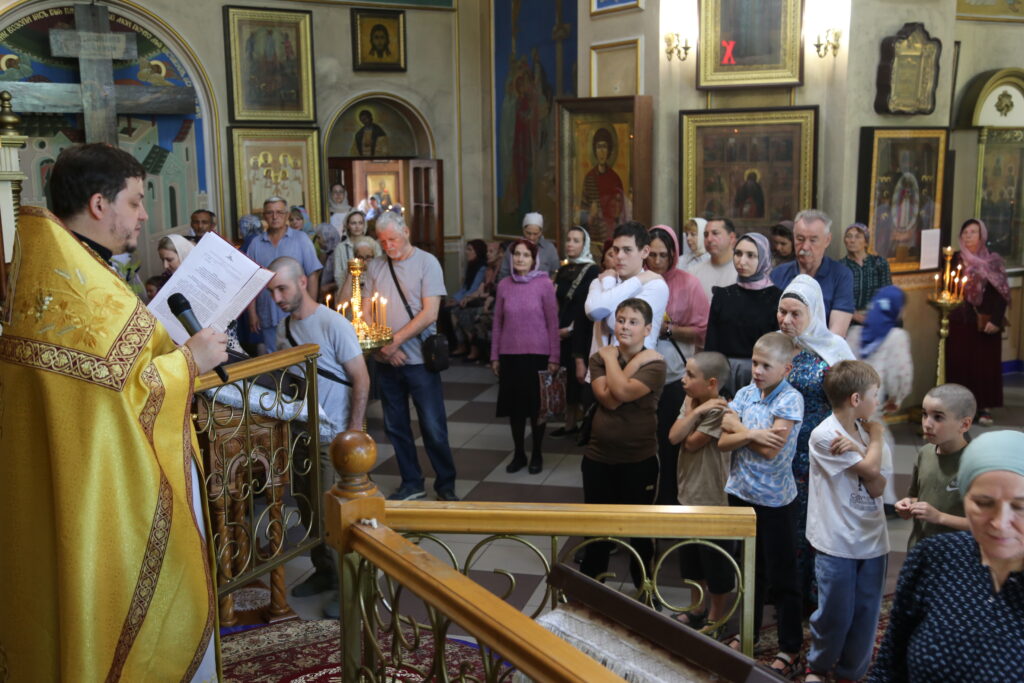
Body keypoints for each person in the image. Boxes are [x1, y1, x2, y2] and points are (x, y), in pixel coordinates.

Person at [0, 143, 226, 681]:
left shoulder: (54, 268)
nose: (144, 215)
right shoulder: (84, 293)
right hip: (104, 503)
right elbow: (124, 398)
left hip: (62, 490)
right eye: (136, 200)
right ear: (99, 205)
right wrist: (190, 362)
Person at [869, 430, 1024, 682]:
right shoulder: (935, 557)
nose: (1000, 522)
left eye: (1019, 506)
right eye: (984, 503)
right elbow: (889, 664)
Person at [265, 257, 369, 616]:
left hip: (332, 434)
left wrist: (353, 430)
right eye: (272, 292)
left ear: (301, 283)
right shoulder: (284, 328)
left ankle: (347, 585)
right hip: (301, 432)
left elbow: (361, 378)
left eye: (282, 289)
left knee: (330, 513)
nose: (277, 298)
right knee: (306, 506)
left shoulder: (333, 323)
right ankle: (324, 571)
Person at [718, 332, 805, 676]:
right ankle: (748, 632)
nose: (757, 370)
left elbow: (771, 450)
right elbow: (723, 442)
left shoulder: (791, 399)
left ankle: (790, 646)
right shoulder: (745, 393)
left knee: (782, 576)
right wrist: (753, 433)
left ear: (786, 369)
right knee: (749, 570)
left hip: (775, 502)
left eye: (766, 365)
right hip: (741, 494)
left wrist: (738, 428)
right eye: (755, 363)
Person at [357, 211, 458, 501]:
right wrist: (384, 349)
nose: (388, 246)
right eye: (382, 241)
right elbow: (365, 311)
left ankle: (445, 484)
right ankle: (412, 482)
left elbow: (430, 314)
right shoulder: (376, 266)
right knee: (395, 426)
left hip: (421, 362)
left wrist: (393, 342)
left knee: (433, 426)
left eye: (392, 239)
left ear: (406, 232)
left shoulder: (427, 263)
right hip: (386, 361)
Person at [804, 360, 890, 683]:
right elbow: (871, 471)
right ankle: (819, 665)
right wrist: (876, 439)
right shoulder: (825, 435)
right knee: (835, 613)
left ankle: (850, 673)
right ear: (856, 399)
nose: (877, 401)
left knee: (867, 613)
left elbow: (878, 487)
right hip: (836, 539)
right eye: (874, 395)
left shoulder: (863, 434)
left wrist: (863, 446)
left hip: (873, 539)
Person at [777, 274, 856, 607]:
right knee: (787, 522)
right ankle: (785, 590)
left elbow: (854, 401)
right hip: (780, 448)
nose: (786, 320)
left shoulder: (833, 348)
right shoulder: (775, 345)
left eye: (795, 314)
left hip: (819, 450)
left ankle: (816, 593)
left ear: (814, 314)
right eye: (782, 312)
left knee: (817, 520)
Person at [580, 298, 666, 587]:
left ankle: (646, 594)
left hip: (638, 460)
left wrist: (615, 360)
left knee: (641, 533)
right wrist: (610, 359)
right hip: (598, 457)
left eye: (633, 322)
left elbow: (620, 395)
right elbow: (606, 398)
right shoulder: (598, 358)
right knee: (597, 532)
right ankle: (592, 595)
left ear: (648, 329)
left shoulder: (654, 363)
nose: (625, 327)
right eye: (620, 320)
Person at [668, 351, 733, 632]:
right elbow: (674, 436)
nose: (683, 379)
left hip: (712, 497)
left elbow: (690, 442)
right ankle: (697, 607)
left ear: (711, 383)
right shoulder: (692, 401)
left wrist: (690, 417)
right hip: (688, 493)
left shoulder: (719, 410)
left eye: (690, 375)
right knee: (691, 558)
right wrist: (694, 412)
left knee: (715, 561)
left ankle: (716, 616)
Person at [646, 225, 709, 505]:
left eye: (664, 255)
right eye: (652, 255)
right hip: (641, 375)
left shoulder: (688, 283)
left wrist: (668, 330)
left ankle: (669, 499)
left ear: (674, 254)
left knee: (669, 442)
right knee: (644, 442)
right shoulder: (638, 281)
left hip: (674, 376)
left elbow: (702, 330)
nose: (658, 261)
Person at [490, 238, 560, 474]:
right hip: (510, 355)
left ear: (534, 259)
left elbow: (553, 323)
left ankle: (537, 453)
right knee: (515, 409)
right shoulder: (504, 285)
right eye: (517, 254)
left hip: (538, 355)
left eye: (526, 255)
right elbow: (497, 323)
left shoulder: (544, 284)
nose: (520, 259)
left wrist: (554, 357)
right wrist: (494, 356)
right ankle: (519, 453)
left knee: (537, 409)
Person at [847, 285, 913, 506]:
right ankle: (884, 499)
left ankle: (853, 496)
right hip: (872, 403)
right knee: (882, 445)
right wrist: (897, 398)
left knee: (853, 445)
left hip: (847, 402)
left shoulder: (855, 333)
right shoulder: (897, 336)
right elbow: (900, 374)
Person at [894, 384, 976, 550]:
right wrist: (908, 504)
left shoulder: (975, 464)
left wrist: (939, 517)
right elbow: (918, 496)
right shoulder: (925, 453)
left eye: (938, 417)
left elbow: (984, 524)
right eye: (924, 414)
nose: (927, 424)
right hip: (921, 549)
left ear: (964, 425)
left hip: (956, 557)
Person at [947, 218, 1010, 426]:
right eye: (965, 232)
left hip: (985, 321)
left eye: (973, 232)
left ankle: (984, 407)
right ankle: (962, 408)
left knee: (984, 366)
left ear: (982, 235)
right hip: (960, 320)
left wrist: (996, 320)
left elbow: (1002, 293)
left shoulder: (992, 261)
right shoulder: (955, 259)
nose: (968, 236)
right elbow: (948, 285)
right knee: (961, 363)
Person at [705, 232, 782, 397]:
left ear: (763, 258)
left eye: (751, 255)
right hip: (723, 374)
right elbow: (711, 345)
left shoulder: (776, 298)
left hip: (761, 374)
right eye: (738, 253)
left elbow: (778, 346)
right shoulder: (723, 296)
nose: (742, 261)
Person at [245, 196, 322, 353]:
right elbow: (250, 281)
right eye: (270, 213)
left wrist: (311, 309)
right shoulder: (256, 244)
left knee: (300, 357)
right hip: (267, 313)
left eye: (279, 212)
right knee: (274, 362)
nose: (275, 217)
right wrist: (252, 313)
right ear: (264, 216)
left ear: (287, 215)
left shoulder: (301, 239)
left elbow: (312, 275)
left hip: (297, 313)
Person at [584, 222, 669, 361]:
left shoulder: (655, 285)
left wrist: (611, 285)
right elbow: (594, 312)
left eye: (627, 250)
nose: (619, 256)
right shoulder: (601, 281)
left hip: (634, 368)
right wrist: (638, 280)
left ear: (645, 251)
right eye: (616, 250)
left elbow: (616, 324)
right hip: (597, 369)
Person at [771, 209, 855, 336]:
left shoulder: (841, 275)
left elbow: (837, 333)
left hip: (823, 346)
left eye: (813, 240)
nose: (805, 247)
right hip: (782, 344)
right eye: (800, 239)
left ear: (827, 240)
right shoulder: (778, 274)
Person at [551, 226, 599, 437]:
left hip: (579, 331)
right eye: (568, 239)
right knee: (566, 378)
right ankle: (569, 423)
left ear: (584, 244)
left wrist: (570, 329)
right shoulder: (563, 270)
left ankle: (584, 424)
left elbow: (585, 306)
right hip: (559, 331)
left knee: (579, 378)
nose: (570, 244)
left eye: (576, 240)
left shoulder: (592, 270)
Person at [457, 240, 502, 363]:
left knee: (476, 316)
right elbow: (480, 289)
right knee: (463, 311)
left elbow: (496, 292)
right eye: (487, 251)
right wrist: (468, 298)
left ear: (500, 254)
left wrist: (483, 296)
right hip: (486, 301)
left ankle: (482, 353)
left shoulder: (501, 271)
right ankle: (476, 350)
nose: (487, 254)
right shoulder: (489, 270)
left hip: (495, 303)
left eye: (491, 252)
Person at [579, 127, 624, 242]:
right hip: (592, 236)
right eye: (599, 147)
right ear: (595, 150)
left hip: (611, 234)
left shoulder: (615, 178)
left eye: (604, 147)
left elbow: (620, 212)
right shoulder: (590, 178)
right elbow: (583, 212)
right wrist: (591, 215)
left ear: (609, 150)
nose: (602, 152)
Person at [841, 222, 892, 324]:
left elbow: (887, 294)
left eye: (857, 237)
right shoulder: (840, 266)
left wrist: (878, 316)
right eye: (849, 236)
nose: (852, 240)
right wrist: (859, 318)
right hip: (848, 318)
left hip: (877, 316)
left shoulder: (879, 263)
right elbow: (839, 300)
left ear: (866, 242)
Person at [448, 239, 488, 356]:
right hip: (468, 297)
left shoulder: (482, 267)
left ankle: (472, 347)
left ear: (477, 252)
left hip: (476, 299)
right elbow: (465, 287)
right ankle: (460, 344)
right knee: (446, 309)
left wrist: (458, 301)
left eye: (470, 250)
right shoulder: (471, 266)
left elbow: (474, 289)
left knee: (458, 311)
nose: (466, 252)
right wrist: (455, 299)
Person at [497, 212, 560, 279]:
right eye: (528, 233)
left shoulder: (549, 249)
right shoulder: (513, 247)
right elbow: (504, 273)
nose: (531, 237)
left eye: (535, 234)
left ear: (541, 232)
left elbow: (555, 273)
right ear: (523, 230)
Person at [689, 216, 737, 302]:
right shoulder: (694, 273)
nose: (709, 239)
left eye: (715, 233)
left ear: (731, 238)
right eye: (706, 235)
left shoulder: (743, 271)